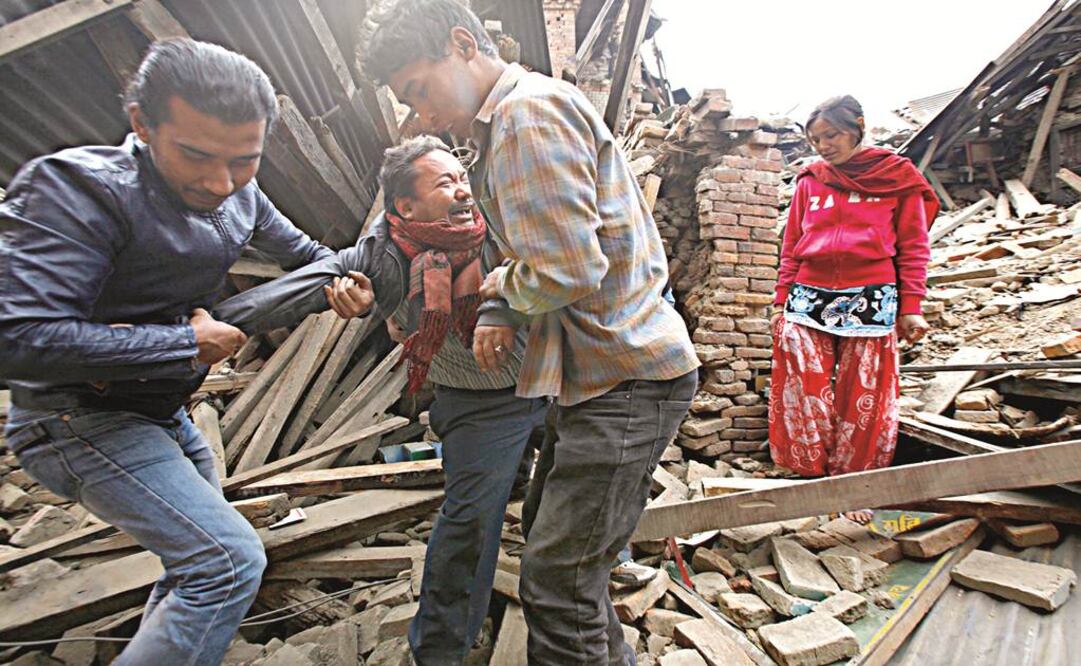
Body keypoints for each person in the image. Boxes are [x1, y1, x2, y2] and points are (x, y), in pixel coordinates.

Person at [359, 2, 700, 663]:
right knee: (571, 575)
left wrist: (498, 294)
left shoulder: (523, 119)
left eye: (420, 92)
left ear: (461, 45)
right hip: (605, 380)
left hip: (623, 378)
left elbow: (567, 265)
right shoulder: (520, 117)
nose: (424, 117)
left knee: (556, 586)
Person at [0, 39, 334, 665]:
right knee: (228, 562)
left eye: (244, 160)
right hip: (75, 418)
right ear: (142, 124)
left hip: (163, 413)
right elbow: (18, 340)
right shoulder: (77, 190)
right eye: (196, 155)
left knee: (197, 570)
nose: (220, 181)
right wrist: (186, 341)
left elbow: (315, 259)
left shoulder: (240, 193)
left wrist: (341, 284)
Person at [214, 135, 548, 666]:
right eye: (445, 184)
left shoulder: (497, 213)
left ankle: (577, 580)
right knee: (469, 524)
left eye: (461, 177)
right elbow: (312, 282)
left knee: (563, 492)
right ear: (405, 208)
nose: (463, 191)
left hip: (555, 377)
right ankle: (440, 651)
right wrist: (212, 326)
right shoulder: (386, 257)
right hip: (482, 402)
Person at [769, 95, 935, 524]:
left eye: (831, 135)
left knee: (864, 394)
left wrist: (911, 306)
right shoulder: (810, 180)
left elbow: (914, 246)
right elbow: (791, 246)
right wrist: (780, 301)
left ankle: (854, 481)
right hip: (809, 294)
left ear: (858, 126)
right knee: (803, 387)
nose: (823, 146)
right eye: (815, 139)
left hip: (872, 295)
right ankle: (812, 476)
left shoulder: (897, 177)